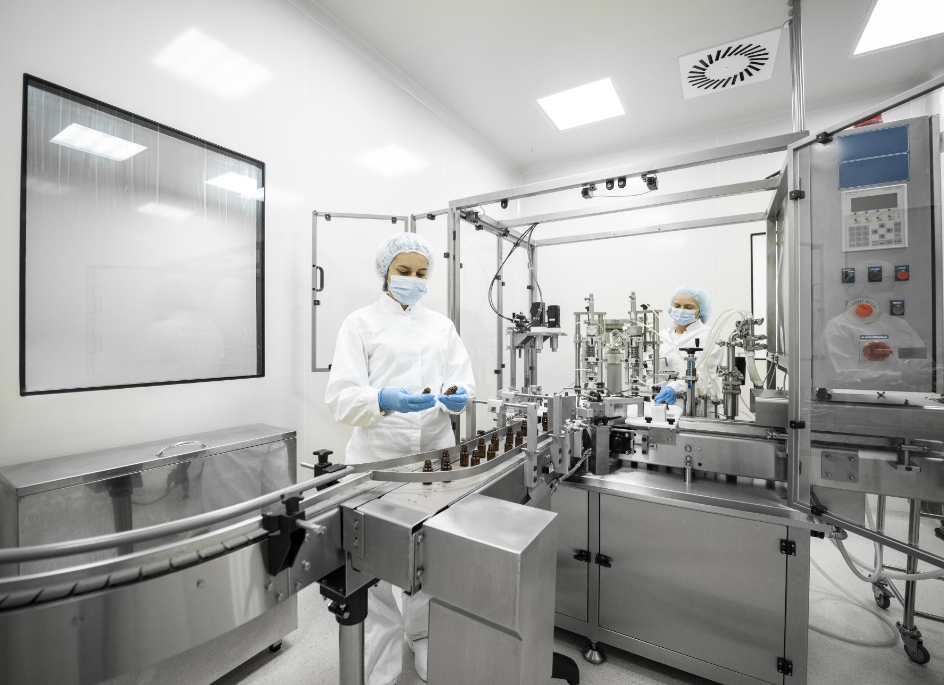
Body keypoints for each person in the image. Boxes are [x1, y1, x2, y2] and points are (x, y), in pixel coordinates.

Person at [325, 232, 475, 685]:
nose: (413, 280)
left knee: (431, 554)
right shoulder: (360, 323)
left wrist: (457, 399)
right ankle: (380, 665)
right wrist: (384, 399)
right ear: (386, 273)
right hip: (377, 457)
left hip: (434, 453)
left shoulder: (441, 326)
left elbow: (462, 383)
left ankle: (423, 636)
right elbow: (340, 399)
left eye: (421, 273)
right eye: (403, 271)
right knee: (373, 564)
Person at [653, 285, 722, 412]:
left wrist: (674, 388)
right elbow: (649, 370)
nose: (681, 310)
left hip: (698, 409)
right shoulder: (662, 335)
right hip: (662, 406)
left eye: (688, 307)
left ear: (700, 310)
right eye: (677, 306)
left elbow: (704, 378)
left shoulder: (710, 335)